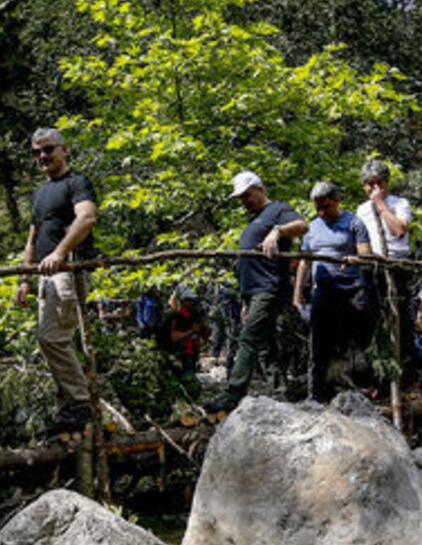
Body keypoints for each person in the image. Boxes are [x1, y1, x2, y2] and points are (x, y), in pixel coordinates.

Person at [16, 127, 98, 434]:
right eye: (36, 152)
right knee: (50, 339)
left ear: (63, 150)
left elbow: (87, 218)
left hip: (68, 269)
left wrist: (61, 253)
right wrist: (24, 279)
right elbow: (32, 239)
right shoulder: (39, 193)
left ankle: (79, 404)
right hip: (44, 275)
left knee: (53, 338)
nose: (42, 157)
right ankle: (67, 412)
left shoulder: (77, 182)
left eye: (48, 149)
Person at [205, 171, 308, 412]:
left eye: (247, 195)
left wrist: (278, 231)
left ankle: (233, 393)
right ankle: (282, 393)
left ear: (260, 189)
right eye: (240, 198)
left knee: (249, 338)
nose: (244, 201)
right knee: (265, 342)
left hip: (269, 288)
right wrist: (244, 302)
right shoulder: (254, 220)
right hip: (253, 291)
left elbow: (302, 225)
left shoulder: (278, 210)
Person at [294, 181, 372, 402]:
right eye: (318, 208)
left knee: (355, 342)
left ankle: (361, 391)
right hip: (323, 291)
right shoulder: (312, 227)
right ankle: (316, 394)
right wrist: (298, 293)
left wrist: (356, 258)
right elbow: (305, 262)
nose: (322, 212)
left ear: (337, 201)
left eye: (326, 207)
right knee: (319, 344)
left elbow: (366, 253)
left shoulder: (354, 223)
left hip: (352, 290)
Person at [355, 156, 414, 381]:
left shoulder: (400, 204)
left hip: (397, 266)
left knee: (401, 319)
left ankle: (407, 374)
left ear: (387, 182)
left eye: (380, 182)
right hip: (371, 267)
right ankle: (379, 377)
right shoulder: (361, 210)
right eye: (370, 183)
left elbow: (399, 230)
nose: (375, 188)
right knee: (374, 320)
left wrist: (381, 205)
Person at [156, 287, 209, 374]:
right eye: (189, 300)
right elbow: (174, 337)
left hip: (192, 351)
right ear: (183, 301)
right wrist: (191, 330)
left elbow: (204, 333)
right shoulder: (176, 317)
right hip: (180, 353)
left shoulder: (194, 314)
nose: (192, 303)